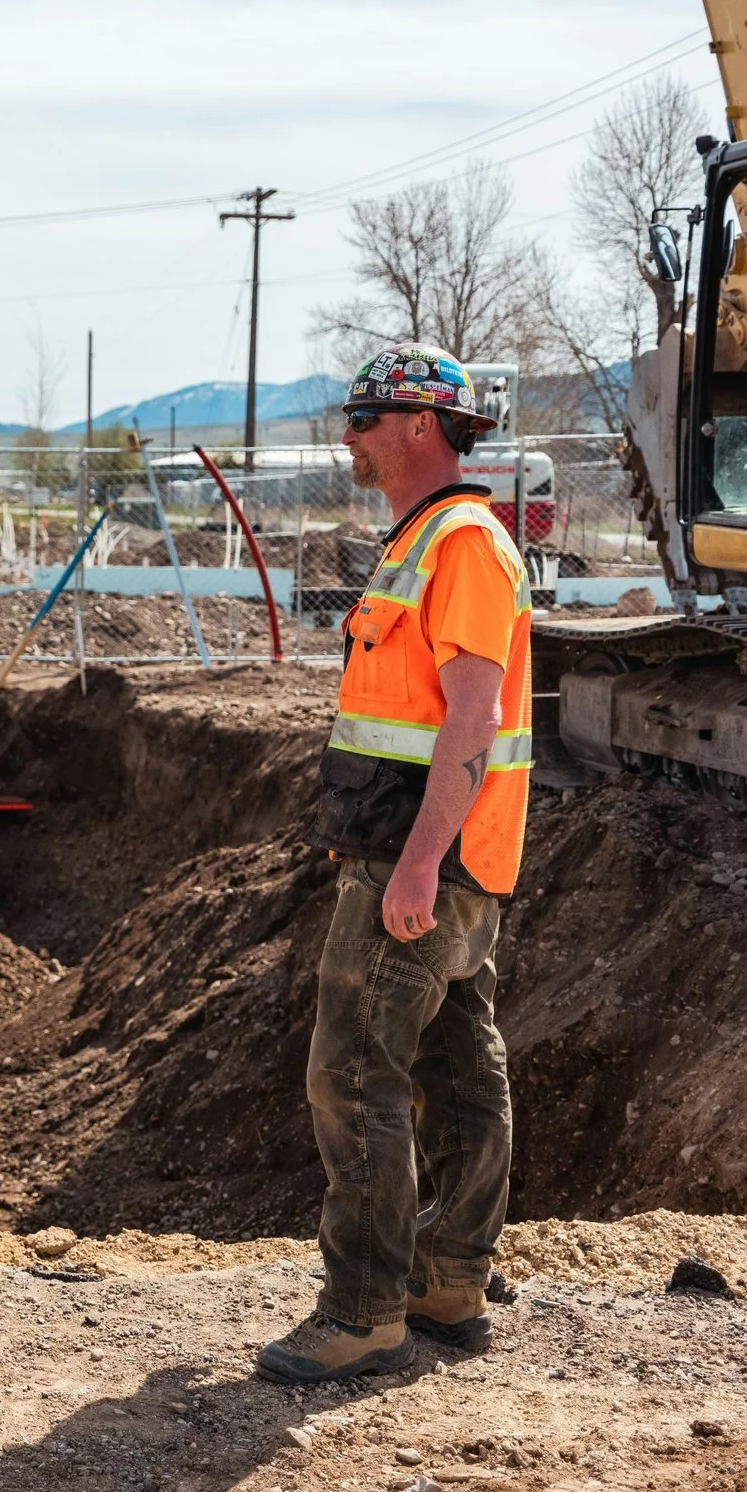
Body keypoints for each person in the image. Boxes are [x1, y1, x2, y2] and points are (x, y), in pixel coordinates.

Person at [257, 343, 532, 1387]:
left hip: (418, 859)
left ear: (422, 426)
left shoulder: (459, 542)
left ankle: (365, 1310)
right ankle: (448, 1283)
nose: (349, 436)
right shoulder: (428, 539)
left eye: (366, 419)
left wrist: (417, 865)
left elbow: (474, 713)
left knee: (352, 1075)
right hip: (442, 852)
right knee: (461, 1067)